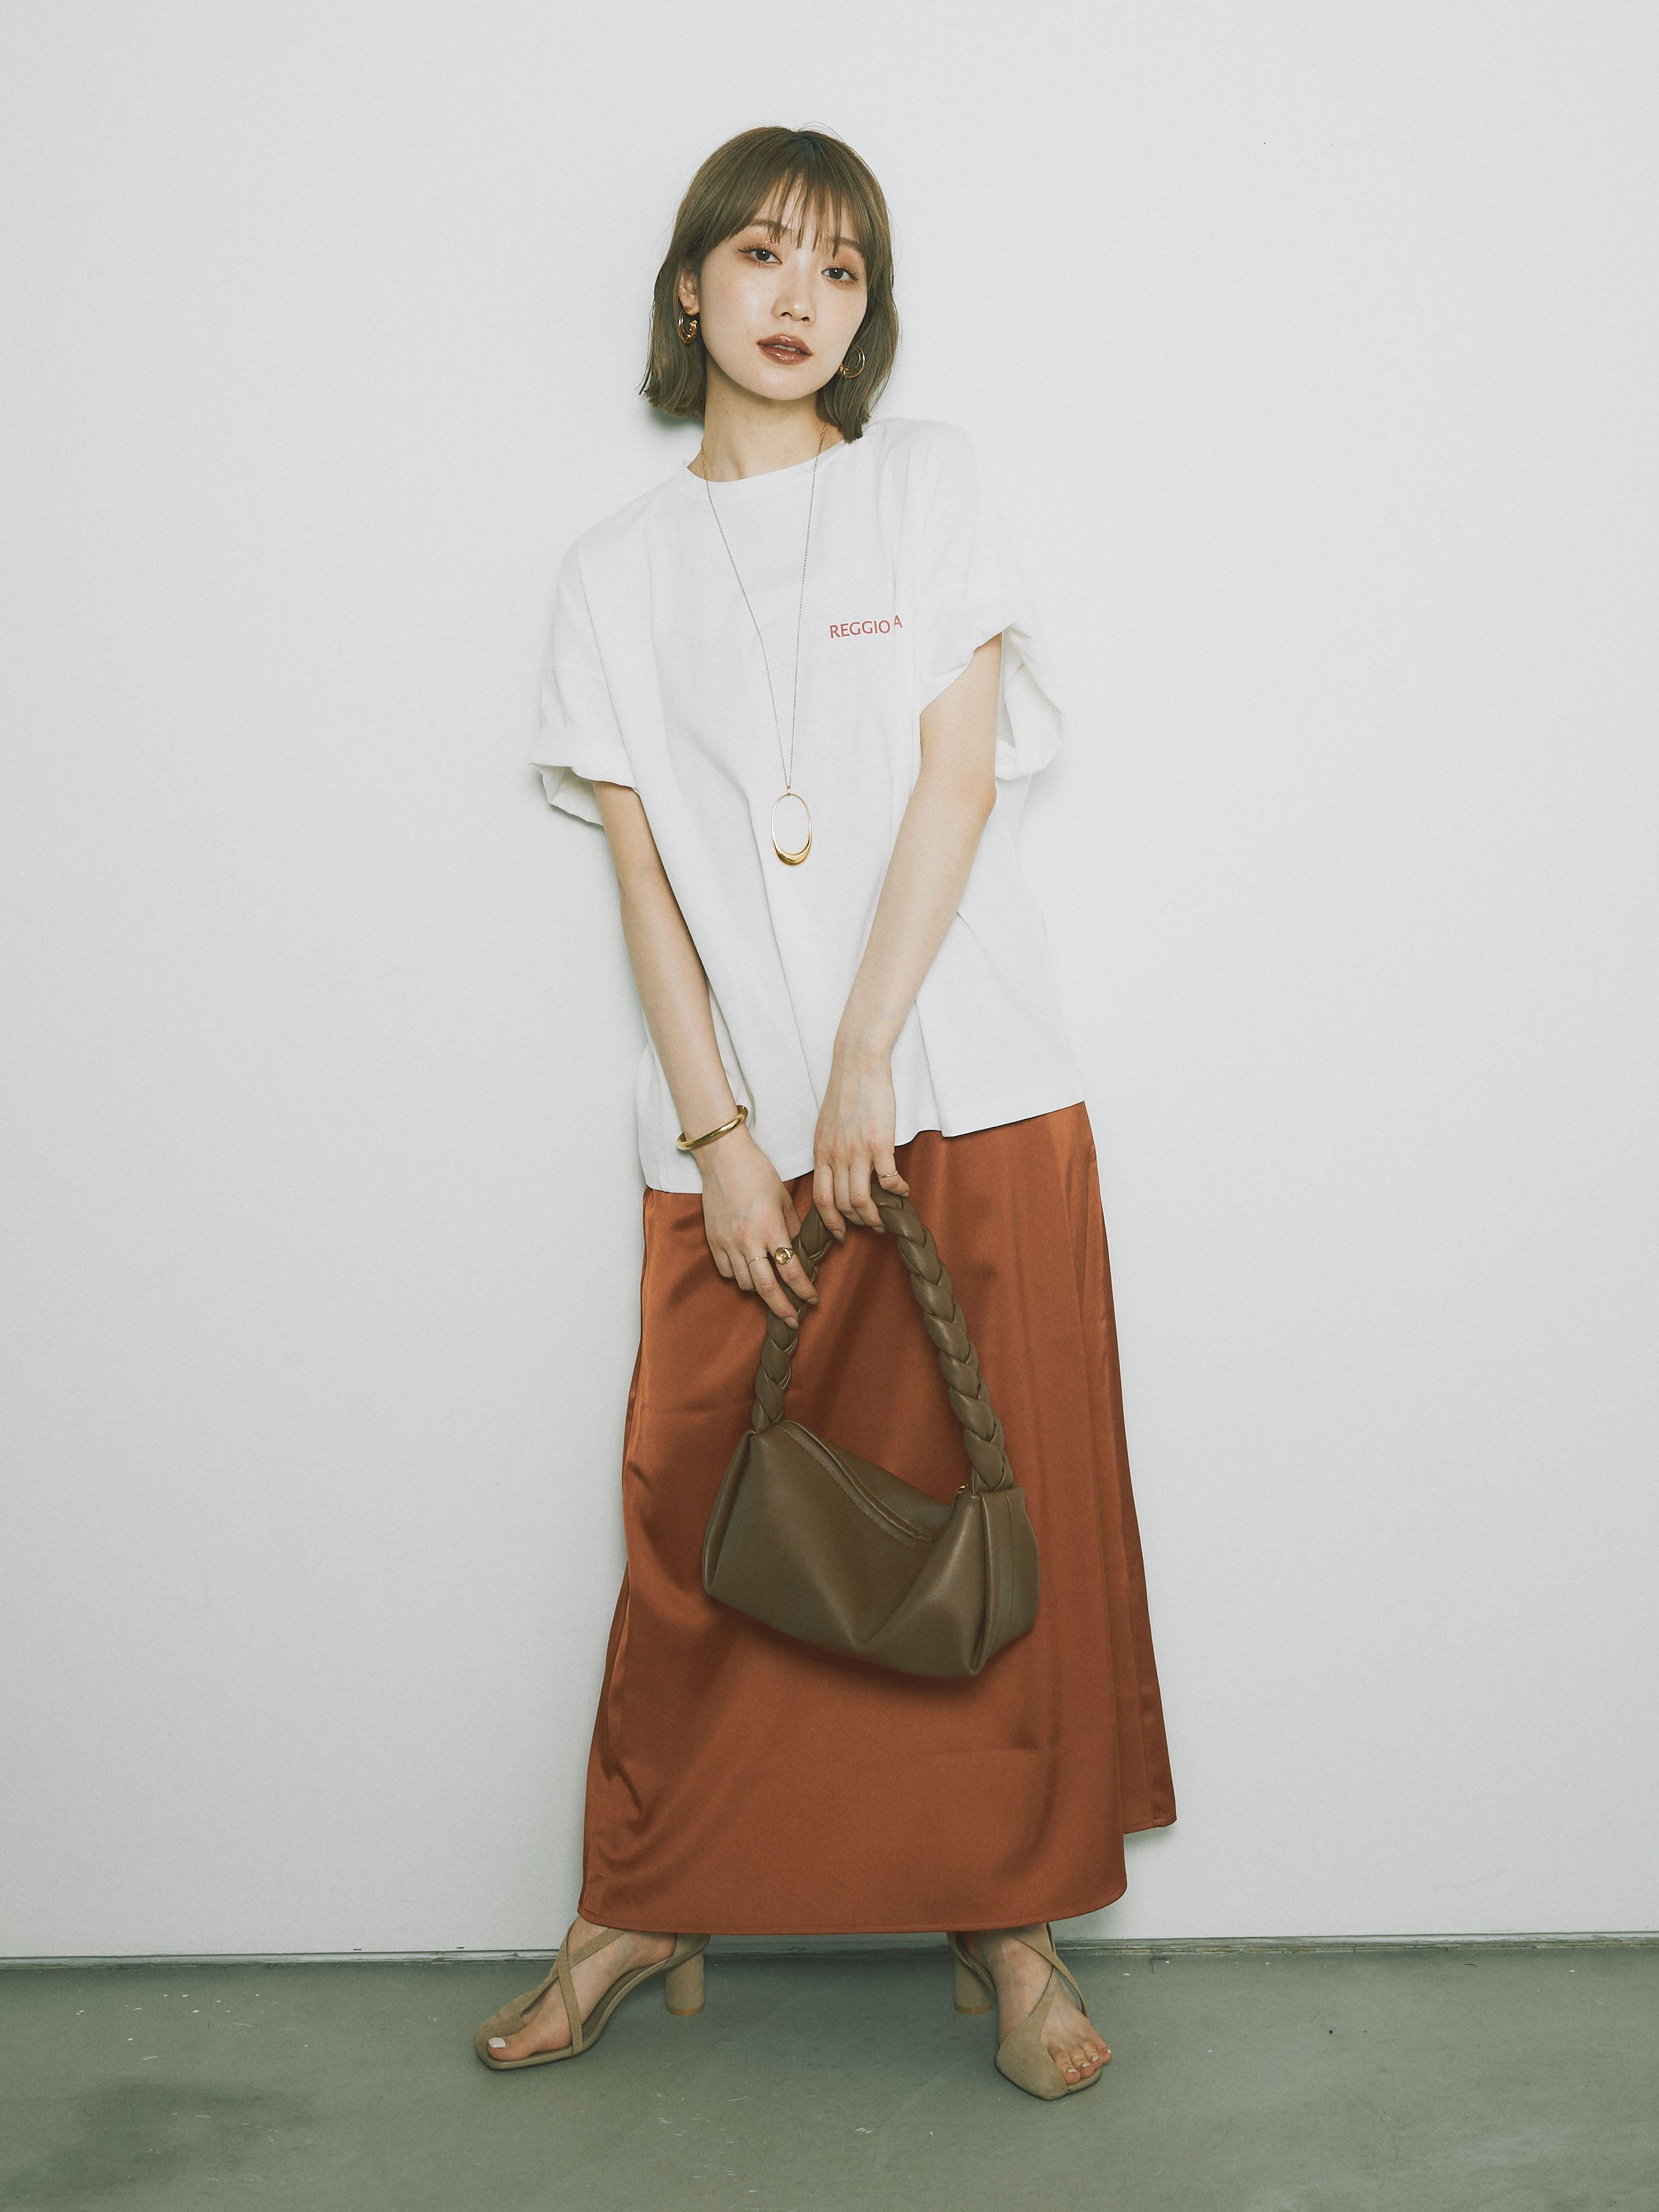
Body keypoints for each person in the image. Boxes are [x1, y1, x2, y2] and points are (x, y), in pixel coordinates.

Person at [475, 124, 1175, 2101]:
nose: (802, 298)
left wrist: (866, 1059)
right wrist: (726, 1141)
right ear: (689, 283)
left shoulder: (925, 485)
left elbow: (957, 781)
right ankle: (643, 1901)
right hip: (740, 1131)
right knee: (702, 1516)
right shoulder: (611, 575)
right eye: (765, 255)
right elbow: (645, 880)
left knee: (989, 1514)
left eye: (843, 269)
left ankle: (1008, 1922)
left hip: (964, 1087)